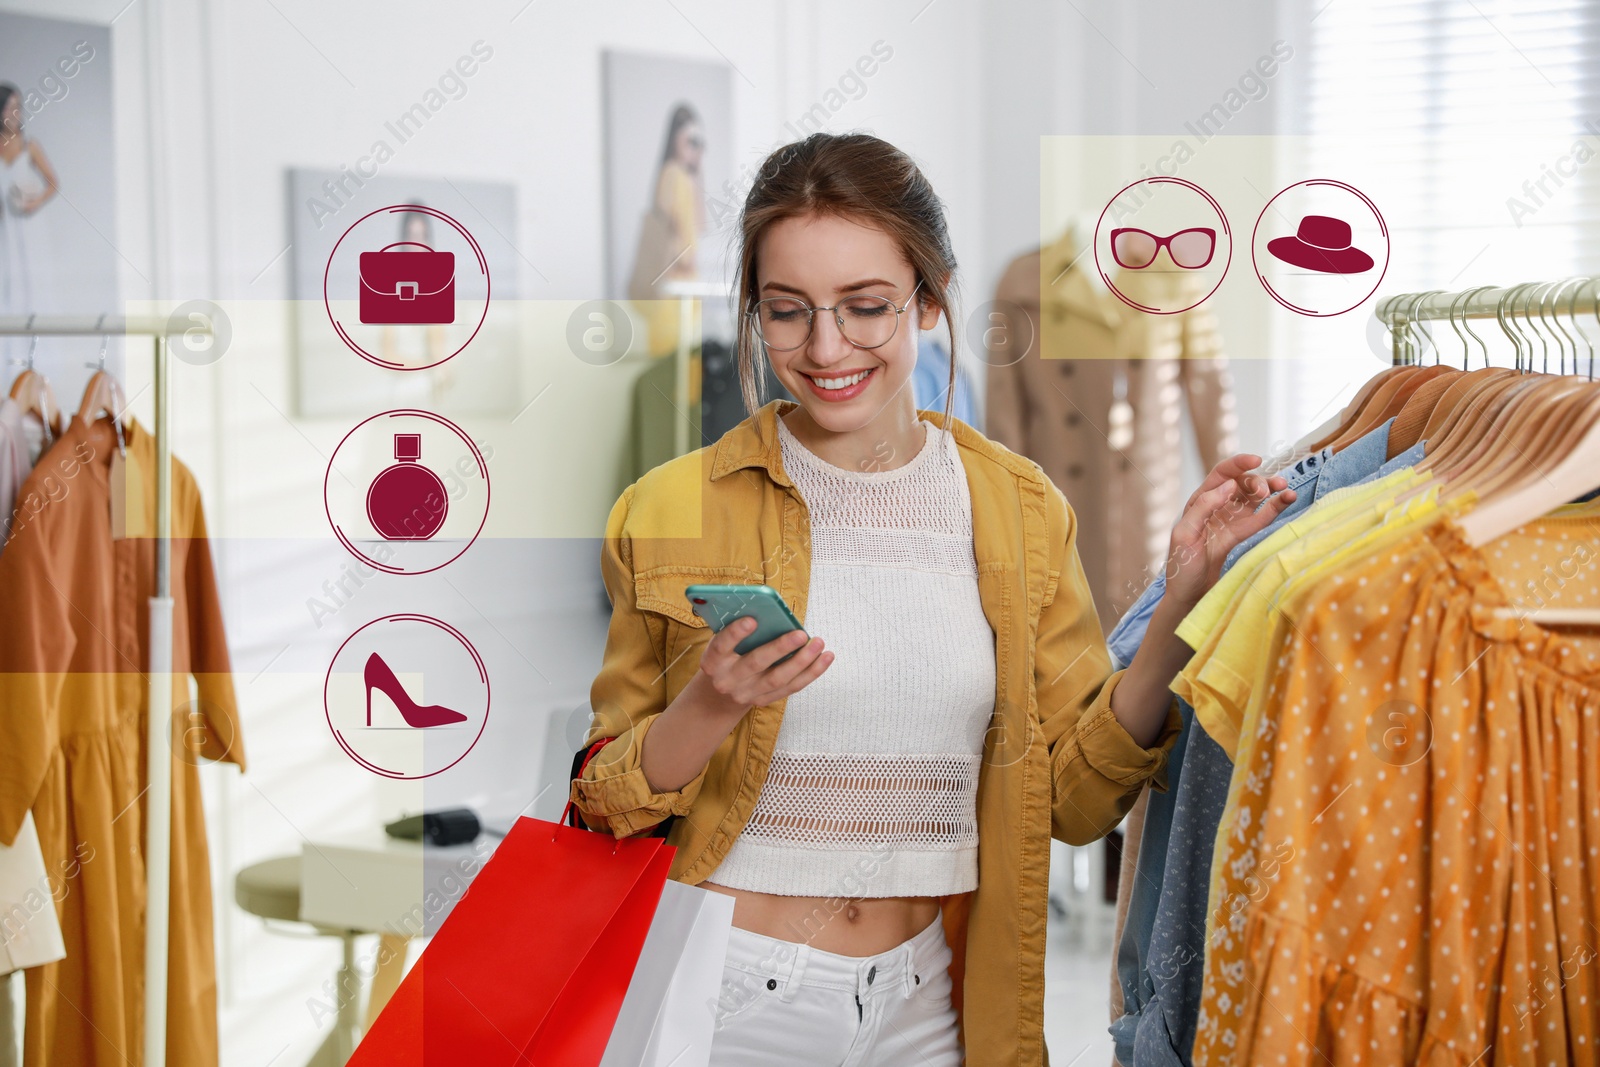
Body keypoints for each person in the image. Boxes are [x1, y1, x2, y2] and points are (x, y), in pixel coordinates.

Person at [569, 132, 1294, 1066]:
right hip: (730, 1000)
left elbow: (1071, 800)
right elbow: (598, 800)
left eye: (866, 307)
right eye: (787, 313)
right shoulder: (668, 506)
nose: (826, 349)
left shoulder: (1022, 511)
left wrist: (1181, 595)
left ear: (932, 296)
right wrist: (713, 703)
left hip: (931, 1005)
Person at [629, 103, 707, 357]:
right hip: (674, 288)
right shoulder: (673, 175)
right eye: (688, 140)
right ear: (675, 139)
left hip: (682, 289)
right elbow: (677, 229)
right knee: (672, 367)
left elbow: (699, 225)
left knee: (682, 368)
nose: (692, 147)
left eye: (697, 141)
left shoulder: (683, 177)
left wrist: (696, 170)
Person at [0, 82, 58, 320]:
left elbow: (53, 183)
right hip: (5, 228)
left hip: (28, 225)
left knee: (32, 280)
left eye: (19, 108)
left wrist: (34, 203)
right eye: (11, 108)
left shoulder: (29, 145)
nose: (16, 114)